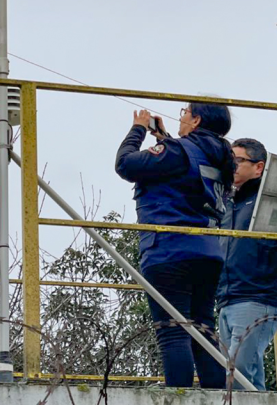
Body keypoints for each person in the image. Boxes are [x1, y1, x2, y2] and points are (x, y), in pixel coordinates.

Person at [115, 103, 235, 388]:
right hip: (207, 251)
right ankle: (217, 396)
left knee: (173, 331)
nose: (180, 117)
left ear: (196, 120)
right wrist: (165, 141)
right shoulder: (222, 157)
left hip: (169, 249)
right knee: (202, 329)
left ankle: (179, 396)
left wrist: (138, 130)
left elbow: (125, 164)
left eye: (185, 112)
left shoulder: (179, 151)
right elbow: (187, 176)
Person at [217, 138, 277, 390]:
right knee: (244, 376)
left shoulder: (273, 201)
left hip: (258, 295)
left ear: (259, 167)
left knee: (238, 372)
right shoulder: (227, 204)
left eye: (238, 160)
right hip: (227, 297)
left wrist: (269, 255)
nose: (231, 166)